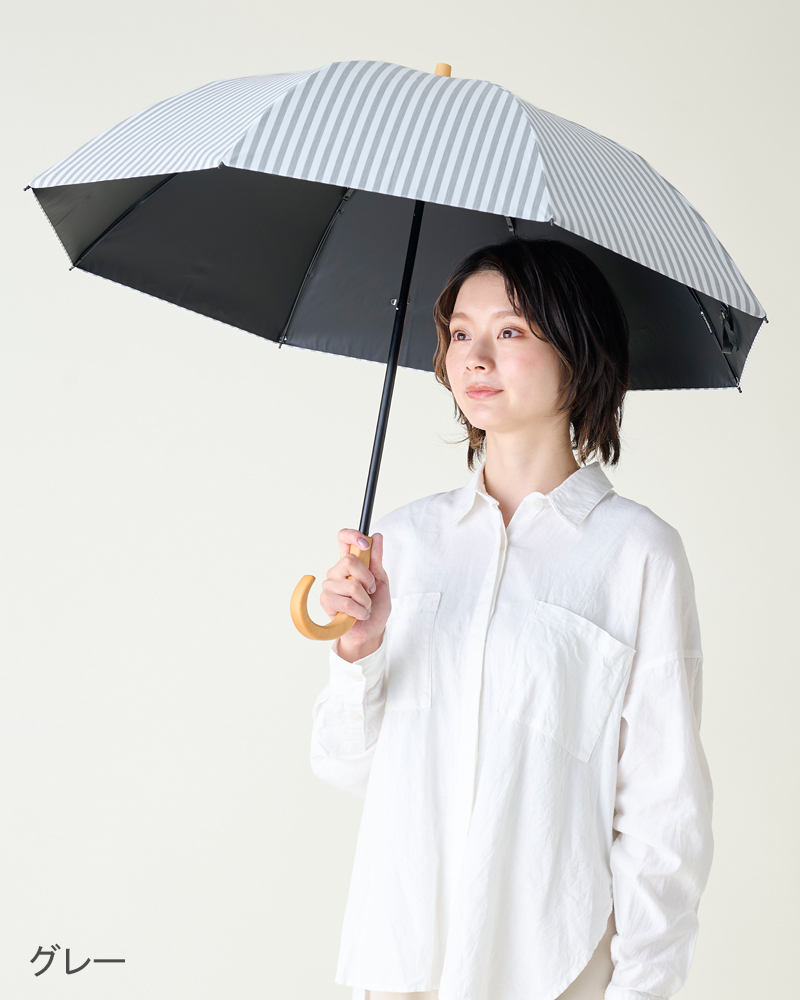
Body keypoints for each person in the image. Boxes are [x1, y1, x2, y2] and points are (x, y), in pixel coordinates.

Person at [309, 238, 714, 1000]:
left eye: (511, 331)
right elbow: (345, 765)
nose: (475, 358)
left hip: (547, 973)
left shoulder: (637, 556)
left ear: (579, 351)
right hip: (396, 966)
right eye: (461, 333)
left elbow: (667, 820)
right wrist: (356, 651)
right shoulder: (407, 543)